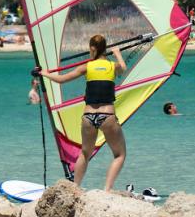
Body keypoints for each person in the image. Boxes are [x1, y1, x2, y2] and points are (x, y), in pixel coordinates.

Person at [34, 34, 126, 191]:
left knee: (84, 153)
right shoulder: (112, 66)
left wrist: (43, 73)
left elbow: (61, 79)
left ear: (92, 49)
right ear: (105, 49)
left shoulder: (87, 67)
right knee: (119, 155)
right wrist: (117, 52)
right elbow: (123, 68)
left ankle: (75, 188)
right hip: (107, 116)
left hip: (88, 116)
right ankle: (107, 190)